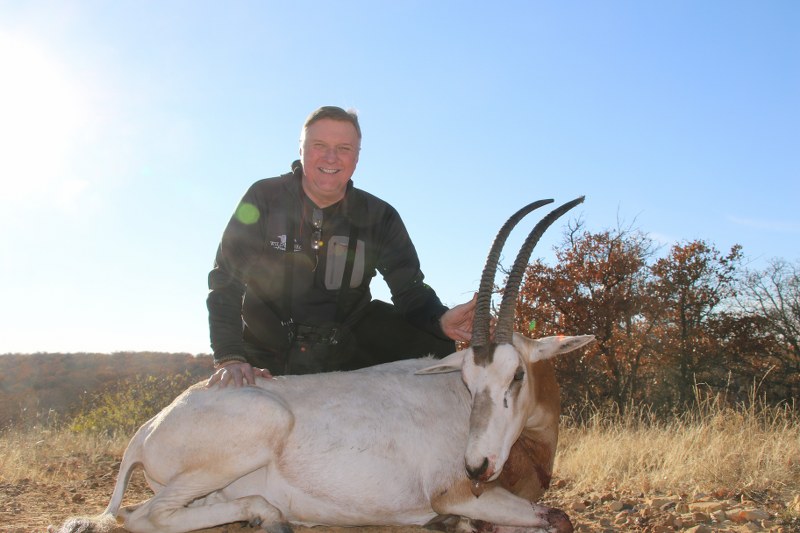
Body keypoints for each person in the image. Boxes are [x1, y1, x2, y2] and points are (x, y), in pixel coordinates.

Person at [206, 106, 476, 387]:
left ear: (357, 156)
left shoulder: (379, 216)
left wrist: (441, 319)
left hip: (346, 347)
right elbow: (226, 280)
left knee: (434, 343)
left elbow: (410, 290)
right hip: (269, 349)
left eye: (344, 148)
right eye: (319, 145)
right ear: (301, 149)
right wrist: (230, 357)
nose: (331, 157)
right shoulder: (264, 197)